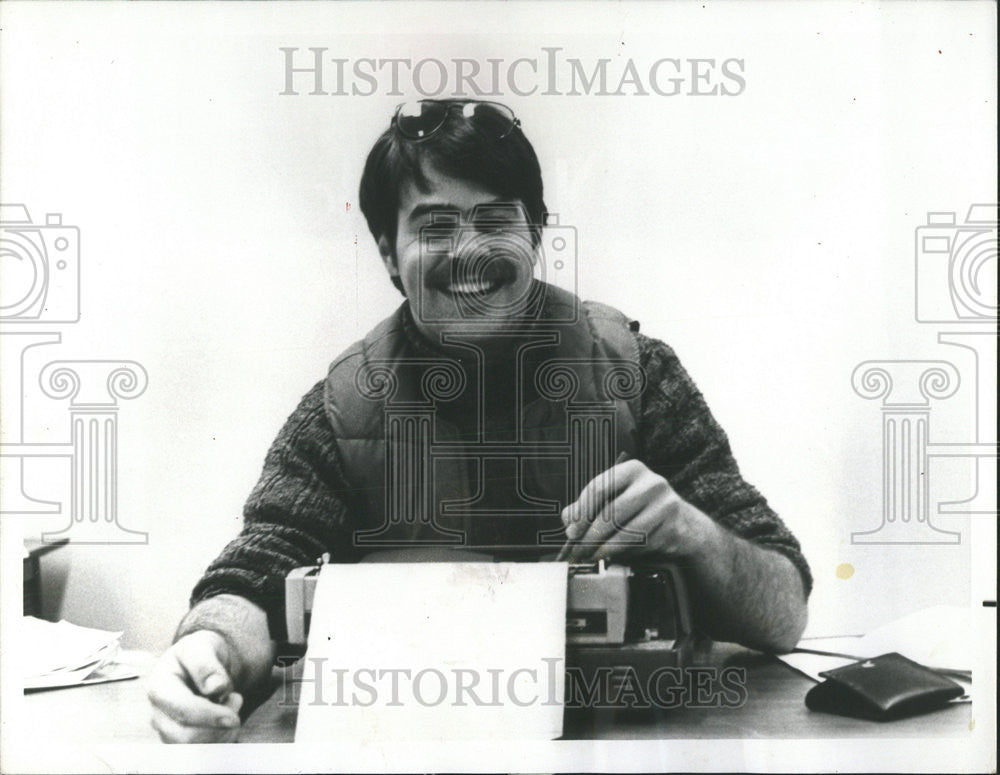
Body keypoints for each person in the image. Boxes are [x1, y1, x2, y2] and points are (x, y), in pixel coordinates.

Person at [147, 99, 811, 743]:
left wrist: (693, 530)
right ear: (388, 254)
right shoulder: (342, 405)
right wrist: (207, 652)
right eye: (435, 226)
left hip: (622, 740)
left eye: (495, 221)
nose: (469, 252)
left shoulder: (639, 373)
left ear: (534, 237)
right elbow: (255, 575)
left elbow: (784, 612)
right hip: (415, 744)